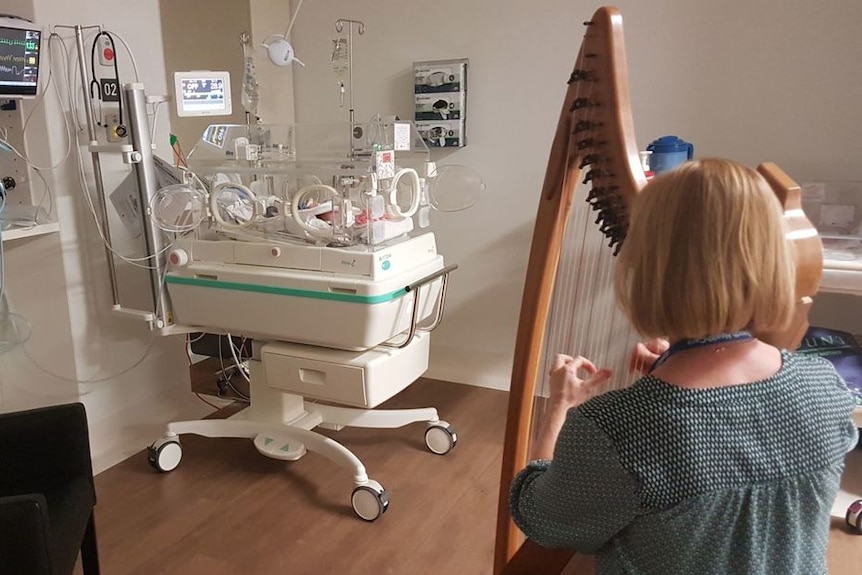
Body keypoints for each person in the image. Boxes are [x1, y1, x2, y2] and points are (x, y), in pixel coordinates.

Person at [509, 158, 859, 575]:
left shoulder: (613, 427)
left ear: (645, 270)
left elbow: (544, 522)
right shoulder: (826, 386)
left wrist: (558, 410)